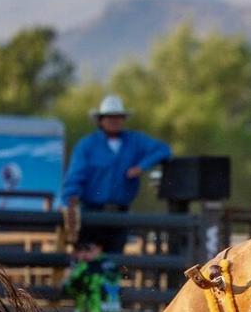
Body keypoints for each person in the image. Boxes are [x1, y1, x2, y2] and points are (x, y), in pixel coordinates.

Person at [60, 95, 170, 254]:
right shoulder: (88, 145)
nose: (114, 121)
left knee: (114, 260)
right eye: (109, 117)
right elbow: (75, 176)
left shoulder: (134, 141)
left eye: (118, 117)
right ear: (101, 120)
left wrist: (141, 166)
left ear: (123, 119)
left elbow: (163, 150)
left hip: (120, 213)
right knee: (89, 260)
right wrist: (69, 201)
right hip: (92, 213)